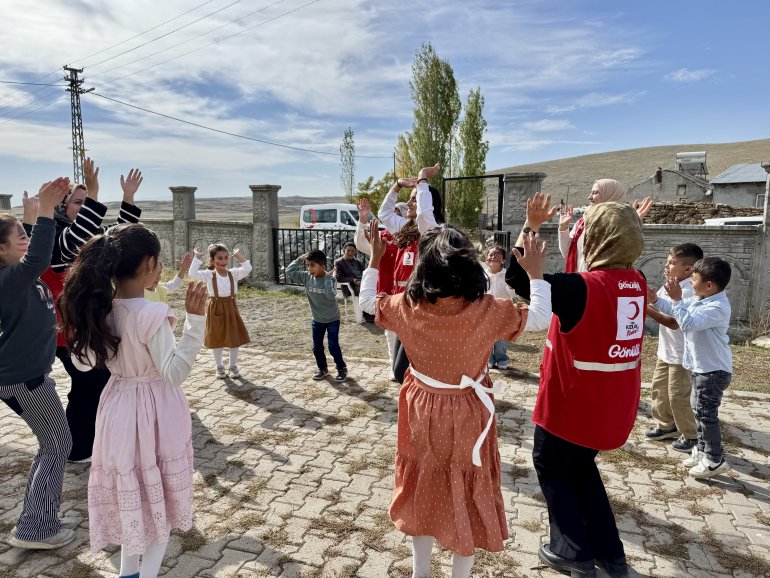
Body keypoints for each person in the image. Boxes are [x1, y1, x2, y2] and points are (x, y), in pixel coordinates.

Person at [359, 218, 552, 578]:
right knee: (466, 486)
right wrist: (537, 274)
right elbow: (542, 317)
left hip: (421, 407)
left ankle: (420, 573)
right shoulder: (489, 309)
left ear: (423, 268)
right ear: (469, 265)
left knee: (423, 482)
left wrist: (374, 259)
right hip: (467, 410)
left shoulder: (407, 306)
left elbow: (369, 303)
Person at [506, 193, 647, 578]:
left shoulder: (581, 288)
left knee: (550, 465)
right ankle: (611, 555)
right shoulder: (636, 281)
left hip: (572, 407)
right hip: (611, 408)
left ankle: (572, 551)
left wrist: (531, 228)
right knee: (581, 469)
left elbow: (516, 277)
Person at [59, 224, 207, 578]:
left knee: (135, 500)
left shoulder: (102, 311)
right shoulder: (150, 315)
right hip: (155, 410)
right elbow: (173, 374)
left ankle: (128, 572)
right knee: (159, 507)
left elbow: (82, 364)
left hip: (117, 408)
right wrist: (195, 324)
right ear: (149, 264)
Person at [22, 160, 144, 462]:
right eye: (78, 201)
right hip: (67, 334)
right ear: (63, 208)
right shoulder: (56, 240)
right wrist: (95, 193)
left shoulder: (86, 240)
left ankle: (88, 442)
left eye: (85, 201)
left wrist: (128, 198)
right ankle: (77, 448)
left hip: (86, 329)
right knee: (89, 385)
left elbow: (120, 236)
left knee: (93, 385)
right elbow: (77, 237)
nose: (85, 205)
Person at [1, 177, 74, 550]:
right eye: (19, 237)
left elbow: (32, 258)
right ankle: (36, 529)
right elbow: (38, 259)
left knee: (52, 443)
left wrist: (30, 218)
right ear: (1, 250)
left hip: (29, 376)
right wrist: (45, 212)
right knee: (57, 443)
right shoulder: (7, 279)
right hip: (25, 379)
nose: (26, 240)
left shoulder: (14, 274)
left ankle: (36, 519)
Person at [647, 256, 733, 479]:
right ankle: (703, 451)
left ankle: (714, 459)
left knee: (707, 416)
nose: (690, 283)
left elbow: (687, 324)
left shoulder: (717, 307)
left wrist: (676, 300)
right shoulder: (702, 298)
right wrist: (656, 300)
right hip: (701, 368)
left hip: (713, 371)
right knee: (698, 412)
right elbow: (679, 310)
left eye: (693, 279)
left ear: (709, 285)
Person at [378, 163, 445, 382]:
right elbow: (384, 214)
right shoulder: (407, 228)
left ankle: (433, 397)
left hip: (423, 309)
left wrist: (423, 178)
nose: (408, 203)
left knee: (404, 371)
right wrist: (397, 186)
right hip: (404, 307)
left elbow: (425, 214)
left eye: (414, 198)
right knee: (402, 372)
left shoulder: (435, 230)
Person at [644, 243, 703, 452]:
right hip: (665, 351)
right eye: (668, 261)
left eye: (672, 263)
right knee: (659, 390)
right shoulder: (670, 284)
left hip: (682, 355)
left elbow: (672, 321)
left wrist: (645, 306)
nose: (666, 266)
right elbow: (657, 303)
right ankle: (666, 425)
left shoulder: (689, 290)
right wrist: (650, 300)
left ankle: (691, 435)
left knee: (678, 395)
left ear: (688, 269)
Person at [558, 180, 652, 273]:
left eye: (595, 192)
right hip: (580, 281)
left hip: (604, 282)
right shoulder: (582, 222)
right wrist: (563, 228)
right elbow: (569, 253)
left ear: (610, 194)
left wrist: (629, 225)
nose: (589, 197)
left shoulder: (619, 224)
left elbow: (620, 254)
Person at [189, 244, 251, 379]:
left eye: (226, 258)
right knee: (217, 337)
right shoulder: (209, 275)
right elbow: (192, 273)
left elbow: (248, 268)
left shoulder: (233, 273)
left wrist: (239, 256)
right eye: (219, 258)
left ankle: (233, 366)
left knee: (234, 337)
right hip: (215, 307)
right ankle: (219, 366)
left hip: (231, 307)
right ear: (212, 261)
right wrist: (197, 258)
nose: (223, 261)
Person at [286, 249, 348, 382]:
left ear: (322, 266)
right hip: (317, 319)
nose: (309, 269)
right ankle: (323, 369)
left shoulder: (330, 279)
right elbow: (289, 272)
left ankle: (341, 368)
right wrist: (299, 260)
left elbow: (330, 295)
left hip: (332, 319)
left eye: (312, 265)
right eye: (307, 265)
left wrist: (327, 277)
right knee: (316, 347)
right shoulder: (306, 277)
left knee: (333, 346)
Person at [484, 245, 517, 370]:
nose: (493, 257)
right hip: (486, 311)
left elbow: (513, 295)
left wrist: (511, 287)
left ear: (503, 260)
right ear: (486, 259)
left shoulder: (507, 275)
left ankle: (501, 358)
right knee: (487, 337)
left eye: (497, 255)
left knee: (501, 339)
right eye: (491, 255)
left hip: (503, 311)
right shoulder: (482, 275)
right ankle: (489, 359)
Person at [334, 242, 367, 323]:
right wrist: (353, 280)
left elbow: (365, 274)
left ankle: (370, 314)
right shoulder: (339, 262)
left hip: (362, 283)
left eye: (352, 251)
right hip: (350, 287)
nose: (350, 253)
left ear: (355, 251)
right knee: (363, 290)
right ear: (344, 250)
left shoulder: (359, 262)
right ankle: (363, 316)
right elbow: (338, 278)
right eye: (348, 250)